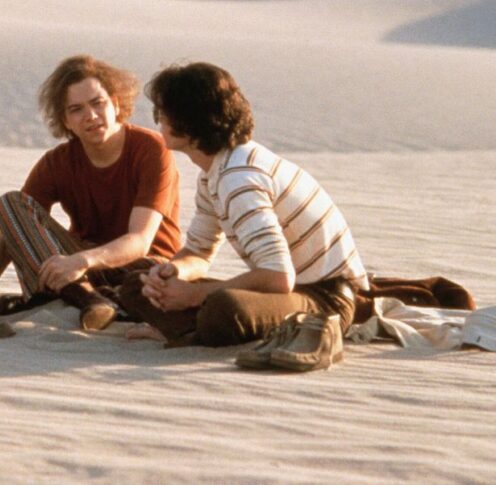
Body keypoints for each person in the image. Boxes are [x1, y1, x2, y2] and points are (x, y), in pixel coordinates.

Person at [119, 61, 369, 347]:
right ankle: (186, 326)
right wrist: (172, 273)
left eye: (163, 114)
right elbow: (199, 253)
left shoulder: (239, 179)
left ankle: (185, 328)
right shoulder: (214, 173)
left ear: (188, 124)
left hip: (325, 299)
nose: (158, 122)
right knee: (138, 284)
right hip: (289, 291)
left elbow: (277, 277)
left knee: (225, 309)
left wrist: (195, 295)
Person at [0, 55, 182, 331]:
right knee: (11, 204)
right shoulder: (58, 161)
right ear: (65, 120)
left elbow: (140, 240)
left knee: (137, 280)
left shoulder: (149, 149)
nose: (91, 116)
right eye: (77, 109)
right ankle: (88, 298)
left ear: (115, 104)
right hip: (79, 267)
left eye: (98, 103)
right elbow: (13, 229)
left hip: (141, 266)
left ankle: (78, 297)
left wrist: (80, 261)